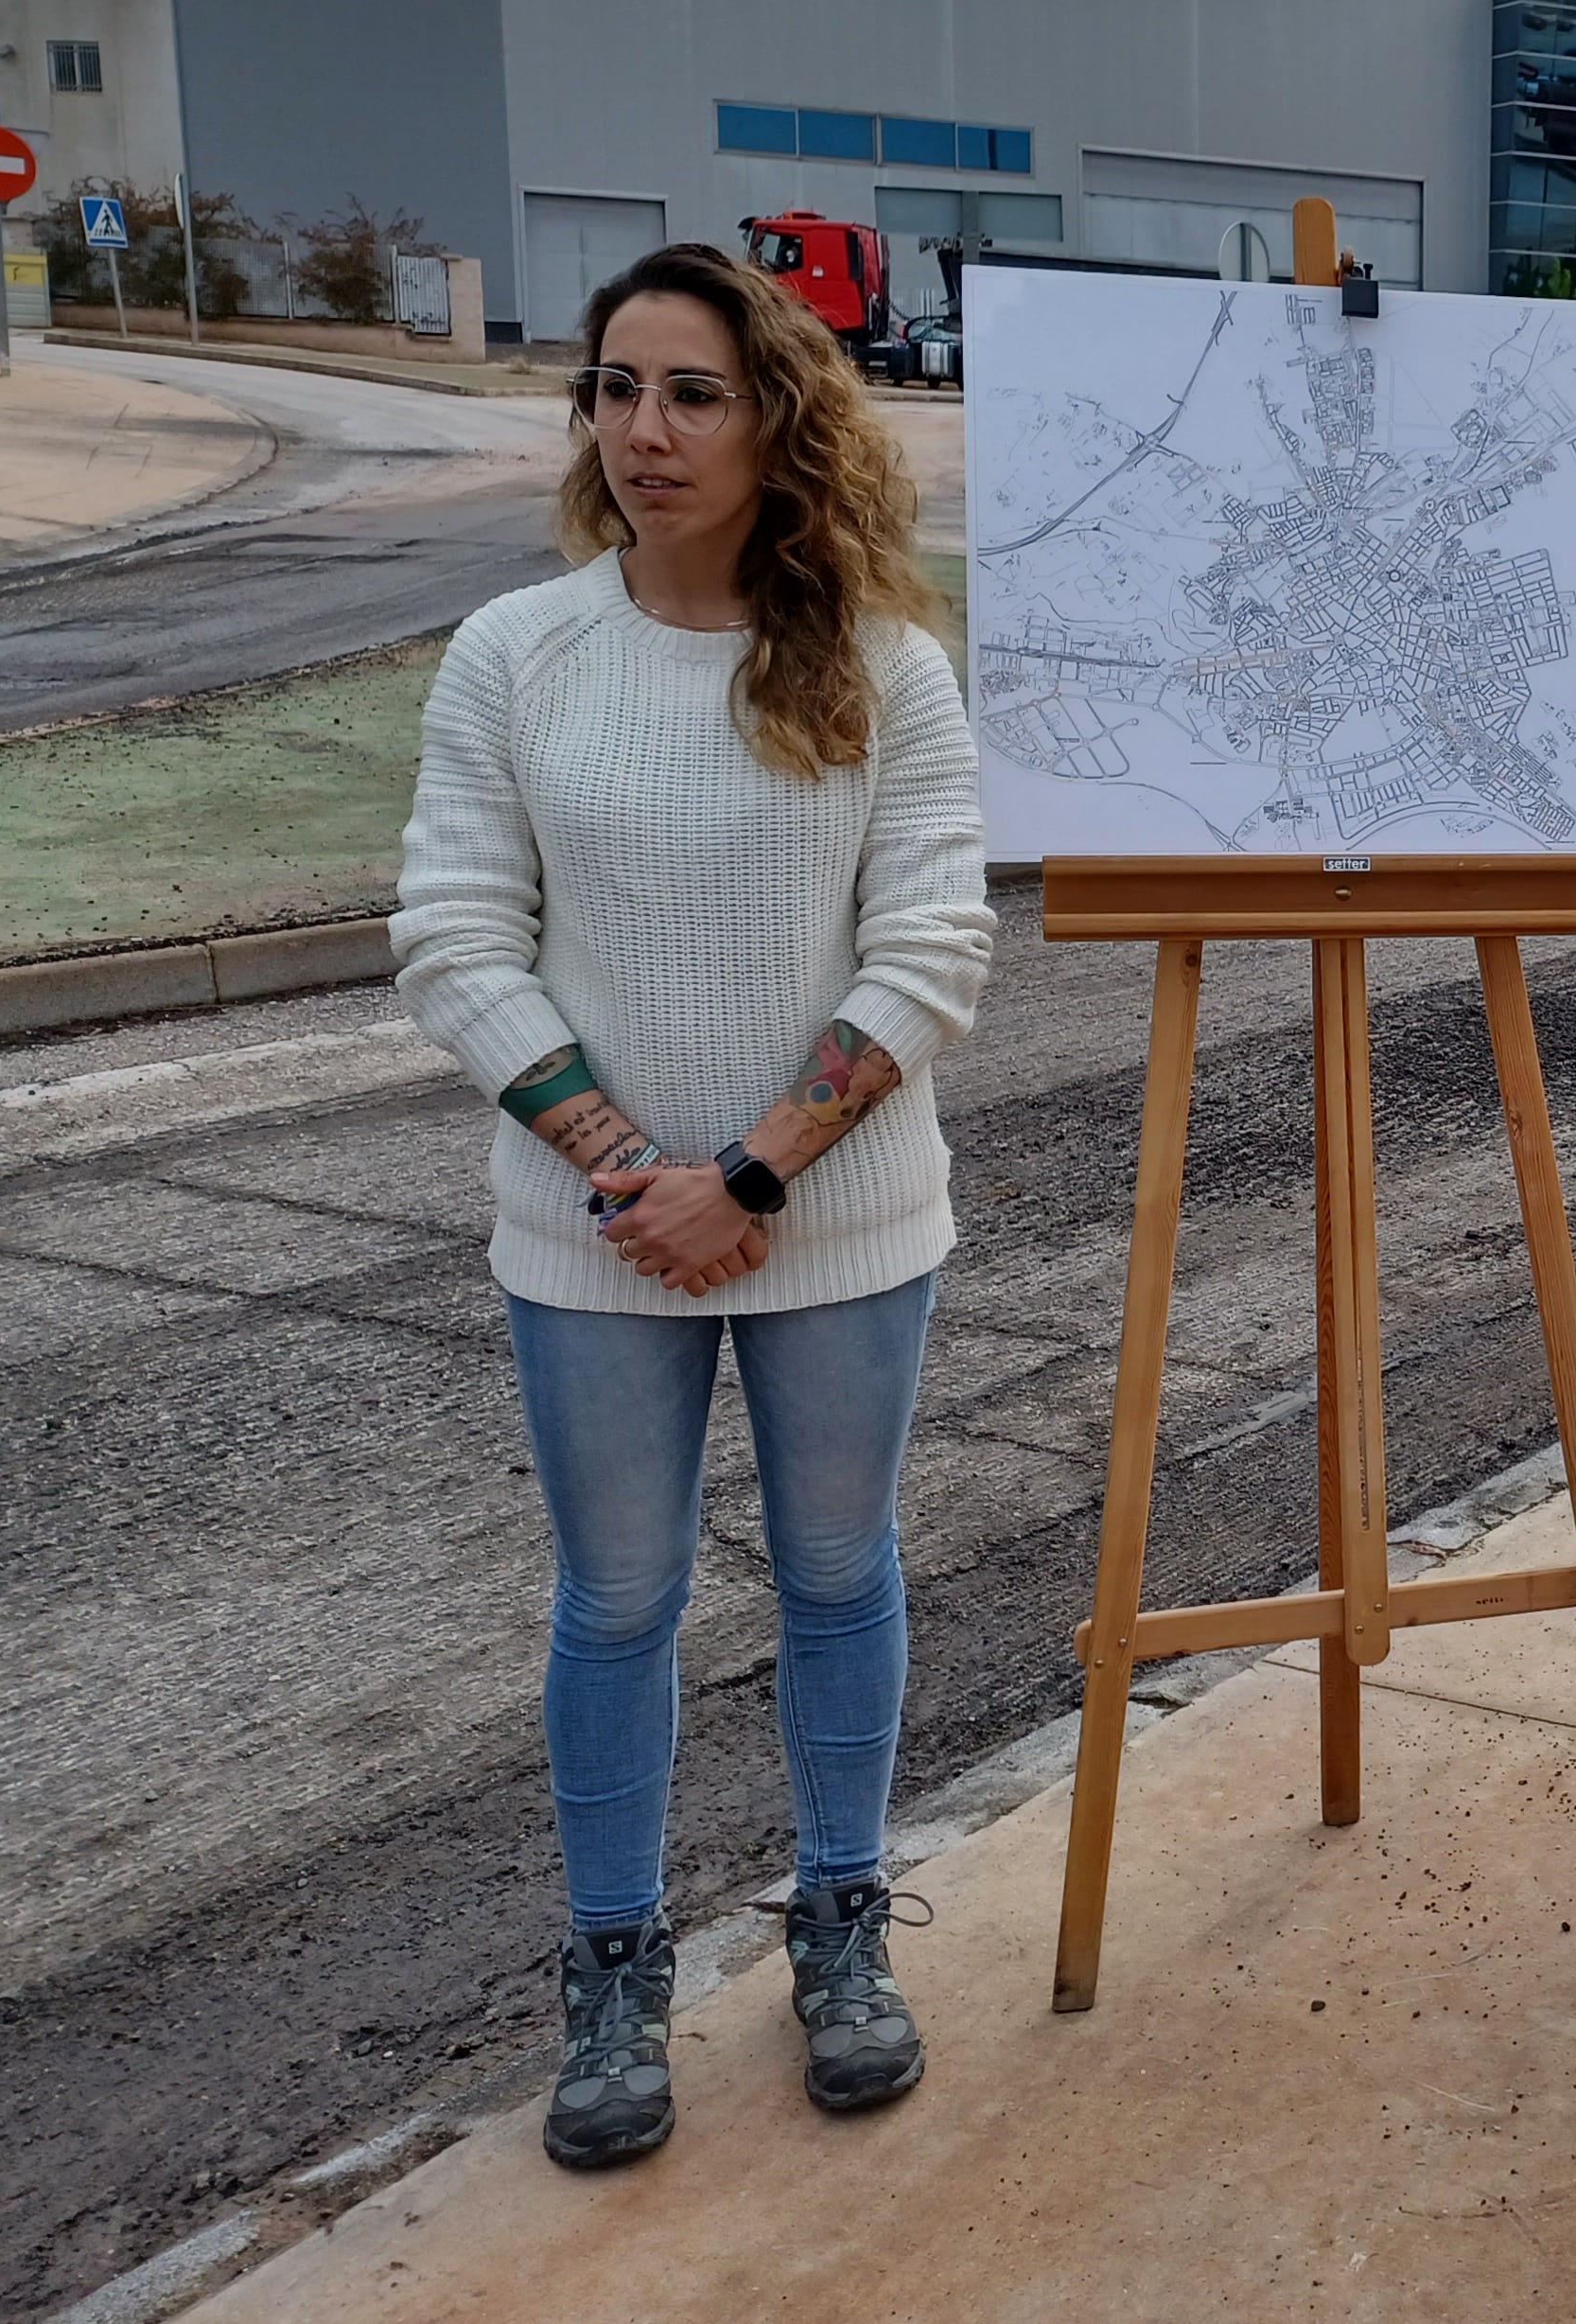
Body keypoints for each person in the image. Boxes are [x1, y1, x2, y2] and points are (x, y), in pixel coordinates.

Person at [392, 242, 991, 2169]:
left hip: (832, 1220)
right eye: (614, 387)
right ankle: (613, 1966)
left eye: (691, 392)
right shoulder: (517, 656)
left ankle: (836, 1927)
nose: (642, 430)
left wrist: (748, 1175)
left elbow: (932, 949)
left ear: (775, 418)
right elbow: (455, 939)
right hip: (595, 1238)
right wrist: (629, 1176)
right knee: (620, 1598)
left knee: (835, 1573)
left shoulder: (886, 669)